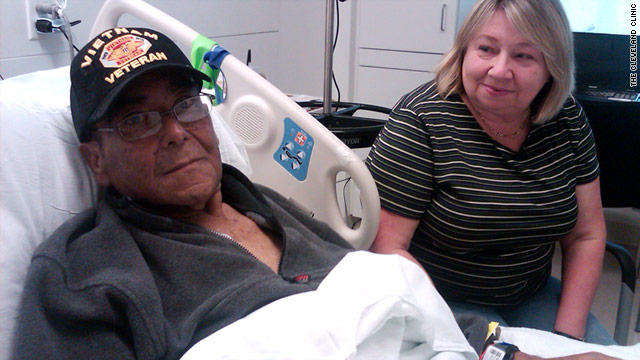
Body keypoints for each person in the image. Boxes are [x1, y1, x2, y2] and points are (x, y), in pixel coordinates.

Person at [9, 26, 619, 360]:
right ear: (96, 160)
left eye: (187, 104)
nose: (175, 133)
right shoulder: (87, 276)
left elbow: (387, 292)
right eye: (139, 120)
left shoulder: (268, 206)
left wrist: (503, 354)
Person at [365, 0, 613, 345]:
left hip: (531, 295)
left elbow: (586, 234)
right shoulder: (421, 119)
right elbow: (388, 246)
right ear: (464, 50)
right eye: (486, 49)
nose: (499, 70)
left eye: (523, 56)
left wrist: (567, 338)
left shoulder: (567, 119)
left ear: (551, 66)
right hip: (440, 300)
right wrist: (470, 333)